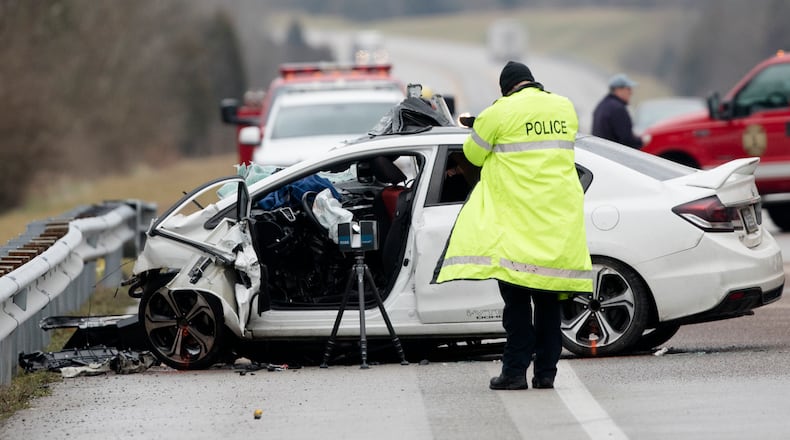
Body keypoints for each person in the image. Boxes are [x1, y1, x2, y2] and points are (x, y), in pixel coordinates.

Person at [434, 61, 593, 390]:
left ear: (506, 88)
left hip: (518, 227)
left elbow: (472, 155)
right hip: (556, 223)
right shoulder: (564, 107)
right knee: (549, 305)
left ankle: (515, 373)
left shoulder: (500, 112)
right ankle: (546, 374)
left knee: (518, 307)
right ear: (532, 82)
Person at [592, 73, 643, 148]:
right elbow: (627, 140)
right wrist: (641, 141)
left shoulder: (602, 105)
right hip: (611, 154)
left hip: (600, 151)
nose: (631, 92)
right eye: (628, 88)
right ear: (618, 90)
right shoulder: (617, 109)